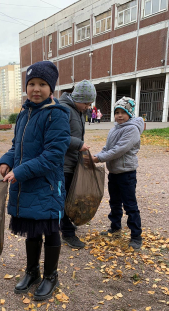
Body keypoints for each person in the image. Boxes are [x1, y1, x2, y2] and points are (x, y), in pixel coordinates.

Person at [0, 61, 71, 301]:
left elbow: (53, 156)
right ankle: (32, 271)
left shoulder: (56, 115)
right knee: (32, 230)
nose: (36, 89)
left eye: (42, 84)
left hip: (47, 185)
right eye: (31, 84)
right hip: (27, 182)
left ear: (51, 88)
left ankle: (51, 275)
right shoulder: (24, 113)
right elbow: (17, 147)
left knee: (49, 230)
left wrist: (20, 171)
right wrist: (6, 161)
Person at [92, 97, 144, 251]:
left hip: (126, 173)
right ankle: (115, 227)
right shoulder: (115, 128)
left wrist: (99, 158)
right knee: (114, 202)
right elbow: (108, 147)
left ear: (130, 113)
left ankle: (136, 235)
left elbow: (119, 150)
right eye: (117, 112)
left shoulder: (132, 129)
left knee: (130, 205)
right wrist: (96, 154)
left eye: (123, 112)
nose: (119, 115)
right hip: (114, 172)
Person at [59, 80, 97, 249]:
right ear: (78, 98)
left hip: (73, 161)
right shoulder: (64, 110)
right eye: (87, 103)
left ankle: (66, 225)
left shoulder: (78, 110)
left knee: (71, 196)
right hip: (63, 164)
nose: (88, 107)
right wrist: (78, 144)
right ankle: (67, 233)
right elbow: (57, 136)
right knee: (65, 198)